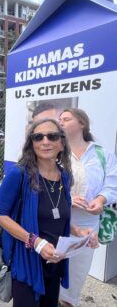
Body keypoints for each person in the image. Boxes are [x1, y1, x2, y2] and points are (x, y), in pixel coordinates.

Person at [0, 118, 98, 307]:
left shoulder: (64, 175)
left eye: (52, 136)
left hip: (55, 259)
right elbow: (0, 214)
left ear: (62, 143)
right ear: (31, 144)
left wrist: (79, 232)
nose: (45, 141)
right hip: (27, 260)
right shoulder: (19, 174)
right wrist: (36, 242)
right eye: (38, 137)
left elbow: (57, 214)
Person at [58, 108, 117, 307]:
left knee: (78, 269)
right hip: (57, 215)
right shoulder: (55, 151)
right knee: (51, 261)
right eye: (60, 120)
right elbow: (43, 185)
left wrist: (101, 200)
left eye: (66, 119)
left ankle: (68, 302)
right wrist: (67, 197)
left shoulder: (102, 154)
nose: (61, 122)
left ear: (82, 123)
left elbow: (112, 184)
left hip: (88, 221)